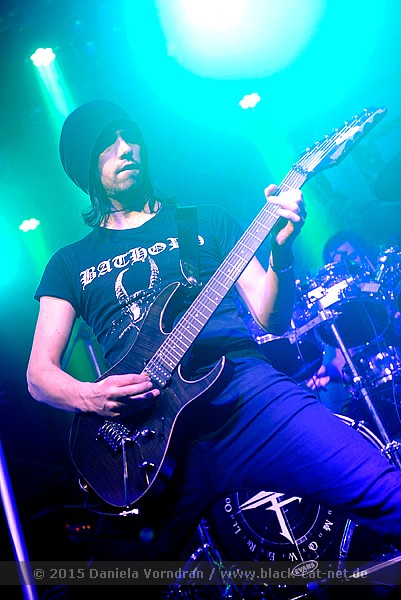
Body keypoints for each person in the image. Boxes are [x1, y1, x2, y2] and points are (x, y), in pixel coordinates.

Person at [27, 101, 401, 590]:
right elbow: (39, 375)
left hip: (245, 395)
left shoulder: (204, 221)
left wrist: (282, 251)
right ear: (85, 167)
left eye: (129, 136)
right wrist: (91, 396)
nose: (126, 148)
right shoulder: (68, 263)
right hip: (145, 440)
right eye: (107, 143)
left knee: (385, 492)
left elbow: (270, 315)